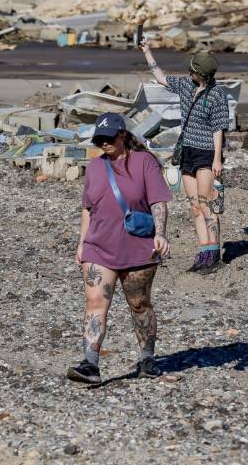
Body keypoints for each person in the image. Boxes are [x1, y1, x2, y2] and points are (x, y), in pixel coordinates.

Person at [67, 113, 172, 385]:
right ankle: (90, 364)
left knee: (139, 304)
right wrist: (81, 243)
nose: (104, 143)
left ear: (123, 135)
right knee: (95, 302)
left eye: (109, 137)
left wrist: (160, 234)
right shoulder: (95, 167)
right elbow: (87, 209)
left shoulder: (144, 162)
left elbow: (159, 202)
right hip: (98, 247)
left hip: (139, 248)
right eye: (99, 139)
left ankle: (147, 358)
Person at [140, 40, 229, 273]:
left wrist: (218, 159)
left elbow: (219, 128)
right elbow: (161, 77)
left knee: (206, 203)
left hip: (207, 153)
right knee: (195, 207)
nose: (187, 72)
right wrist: (148, 52)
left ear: (200, 73)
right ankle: (203, 252)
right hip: (187, 151)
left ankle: (213, 254)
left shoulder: (217, 95)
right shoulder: (186, 86)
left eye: (191, 69)